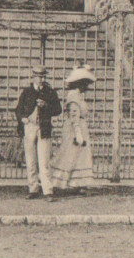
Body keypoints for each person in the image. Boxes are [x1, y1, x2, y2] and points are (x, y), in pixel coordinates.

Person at [14, 66, 62, 199]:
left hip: (44, 128)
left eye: (43, 76)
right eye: (39, 76)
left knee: (44, 161)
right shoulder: (27, 92)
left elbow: (58, 110)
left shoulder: (50, 92)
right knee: (30, 161)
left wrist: (46, 106)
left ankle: (48, 190)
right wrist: (22, 118)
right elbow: (18, 110)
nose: (42, 79)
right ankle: (33, 189)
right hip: (30, 127)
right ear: (33, 77)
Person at [51, 66, 97, 196]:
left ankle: (77, 183)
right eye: (85, 83)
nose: (87, 86)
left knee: (79, 156)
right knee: (69, 154)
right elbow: (73, 115)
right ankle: (59, 182)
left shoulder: (78, 95)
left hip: (80, 126)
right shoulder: (73, 95)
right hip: (74, 128)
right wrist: (78, 133)